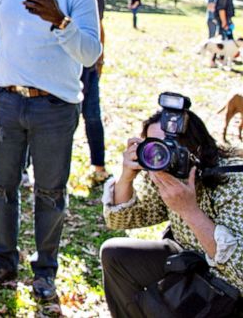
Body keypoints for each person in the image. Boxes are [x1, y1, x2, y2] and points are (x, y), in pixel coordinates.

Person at [0, 0, 102, 302]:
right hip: (7, 101)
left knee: (50, 193)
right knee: (2, 188)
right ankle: (3, 262)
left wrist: (59, 21)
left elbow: (90, 53)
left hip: (55, 108)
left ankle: (45, 271)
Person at [100, 107, 243, 317]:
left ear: (197, 147)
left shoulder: (235, 180)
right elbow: (122, 220)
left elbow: (240, 273)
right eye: (155, 146)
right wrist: (127, 178)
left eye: (170, 145)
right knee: (115, 254)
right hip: (190, 261)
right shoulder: (162, 169)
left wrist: (189, 211)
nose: (161, 154)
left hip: (230, 286)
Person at [63, 0, 109, 185]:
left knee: (93, 116)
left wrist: (100, 59)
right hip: (63, 64)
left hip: (87, 66)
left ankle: (99, 165)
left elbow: (99, 28)